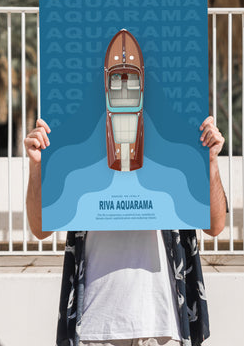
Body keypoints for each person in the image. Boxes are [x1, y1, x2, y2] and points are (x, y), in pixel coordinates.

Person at [25, 116, 227, 346]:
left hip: (162, 324)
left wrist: (210, 161)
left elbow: (215, 225)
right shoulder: (79, 136)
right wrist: (37, 166)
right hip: (94, 325)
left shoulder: (174, 136)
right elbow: (40, 229)